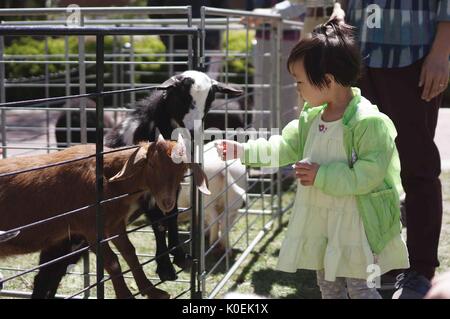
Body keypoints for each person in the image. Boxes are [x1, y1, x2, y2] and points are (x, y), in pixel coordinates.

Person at [215, 19, 409, 299]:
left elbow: (369, 174)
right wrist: (244, 151)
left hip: (358, 225)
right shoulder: (312, 117)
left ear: (327, 80)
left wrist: (321, 175)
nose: (298, 88)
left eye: (300, 82)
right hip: (323, 222)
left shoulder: (368, 123)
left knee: (360, 288)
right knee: (328, 287)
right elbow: (284, 146)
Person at [333, 0, 450, 299]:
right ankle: (379, 266)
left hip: (415, 58)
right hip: (358, 58)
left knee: (418, 168)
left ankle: (420, 272)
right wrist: (339, 10)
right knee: (364, 168)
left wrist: (441, 52)